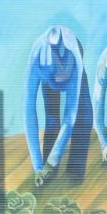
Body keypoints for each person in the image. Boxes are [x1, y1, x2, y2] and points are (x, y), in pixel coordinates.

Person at [25, 26, 92, 186]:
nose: (58, 87)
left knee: (84, 116)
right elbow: (29, 113)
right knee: (52, 118)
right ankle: (46, 174)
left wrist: (52, 161)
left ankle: (74, 172)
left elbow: (69, 119)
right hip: (48, 69)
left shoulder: (75, 62)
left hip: (71, 65)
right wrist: (38, 166)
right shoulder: (36, 61)